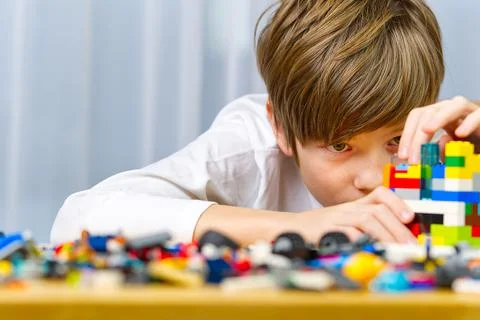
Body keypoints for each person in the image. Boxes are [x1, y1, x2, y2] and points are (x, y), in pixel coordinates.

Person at [51, 0, 480, 247]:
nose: (373, 180)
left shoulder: (442, 146)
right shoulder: (251, 148)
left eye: (393, 141)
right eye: (338, 145)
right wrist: (297, 226)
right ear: (280, 127)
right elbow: (78, 218)